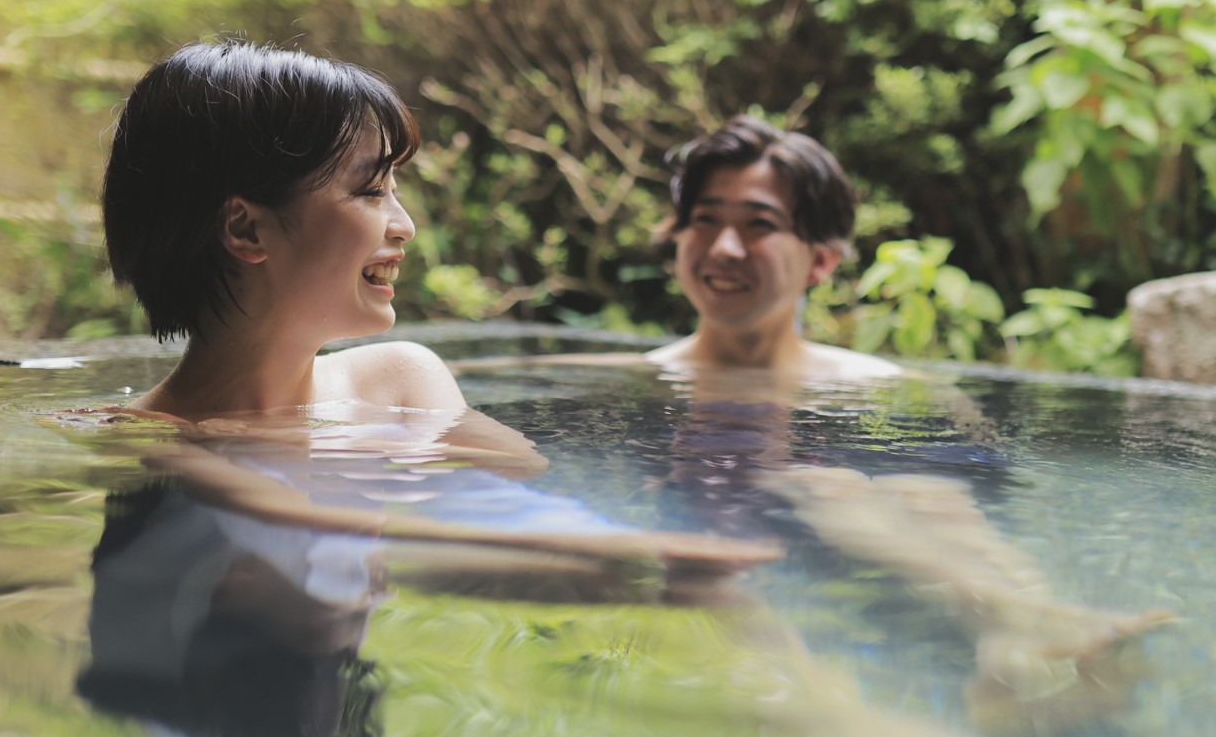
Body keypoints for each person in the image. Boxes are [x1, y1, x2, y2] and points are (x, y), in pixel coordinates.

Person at [95, 40, 776, 577]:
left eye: (397, 189)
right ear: (245, 229)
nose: (404, 224)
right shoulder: (152, 440)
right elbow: (272, 517)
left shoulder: (400, 381)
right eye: (371, 191)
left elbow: (527, 482)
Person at [644, 116, 900, 379]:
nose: (724, 248)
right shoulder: (637, 381)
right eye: (706, 219)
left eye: (759, 224)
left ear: (821, 261)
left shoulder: (875, 389)